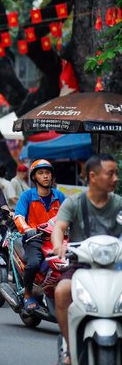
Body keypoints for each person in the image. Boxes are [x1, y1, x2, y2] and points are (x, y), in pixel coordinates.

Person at [52, 154, 122, 365]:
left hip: (115, 266)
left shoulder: (119, 203)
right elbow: (59, 227)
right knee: (62, 292)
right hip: (81, 265)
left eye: (116, 173)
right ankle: (68, 346)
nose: (116, 178)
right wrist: (58, 245)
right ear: (93, 176)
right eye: (111, 173)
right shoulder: (74, 202)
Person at [13, 159, 65, 310]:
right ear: (34, 177)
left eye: (48, 173)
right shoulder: (27, 196)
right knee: (34, 264)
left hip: (57, 239)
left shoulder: (60, 196)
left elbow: (71, 215)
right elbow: (18, 217)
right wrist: (27, 229)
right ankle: (28, 293)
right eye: (41, 173)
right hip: (34, 239)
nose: (45, 176)